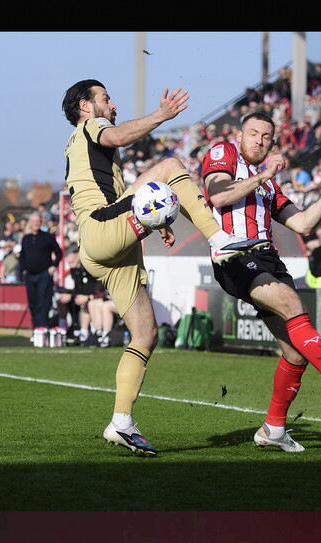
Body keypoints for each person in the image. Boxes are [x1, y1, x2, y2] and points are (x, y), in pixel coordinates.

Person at [61, 79, 268, 456]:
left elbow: (126, 194)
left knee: (145, 335)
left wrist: (160, 220)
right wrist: (162, 115)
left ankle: (121, 422)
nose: (112, 103)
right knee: (172, 164)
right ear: (85, 107)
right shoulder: (90, 128)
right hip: (101, 226)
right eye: (105, 98)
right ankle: (219, 240)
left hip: (103, 246)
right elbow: (120, 136)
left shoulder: (81, 146)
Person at [200, 111, 321, 453]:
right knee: (295, 307)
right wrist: (264, 174)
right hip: (233, 256)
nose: (259, 141)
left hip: (268, 259)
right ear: (240, 135)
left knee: (295, 354)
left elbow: (305, 224)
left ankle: (273, 429)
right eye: (253, 134)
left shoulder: (269, 184)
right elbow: (218, 196)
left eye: (266, 137)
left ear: (273, 143)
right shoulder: (224, 154)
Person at [19, 213, 63, 335]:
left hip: (44, 274)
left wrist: (53, 267)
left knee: (43, 302)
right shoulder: (26, 238)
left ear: (41, 222)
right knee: (33, 303)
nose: (36, 223)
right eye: (34, 221)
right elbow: (22, 256)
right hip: (30, 275)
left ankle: (42, 328)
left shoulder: (47, 237)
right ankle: (36, 329)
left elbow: (59, 253)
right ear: (30, 222)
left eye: (38, 221)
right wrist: (23, 269)